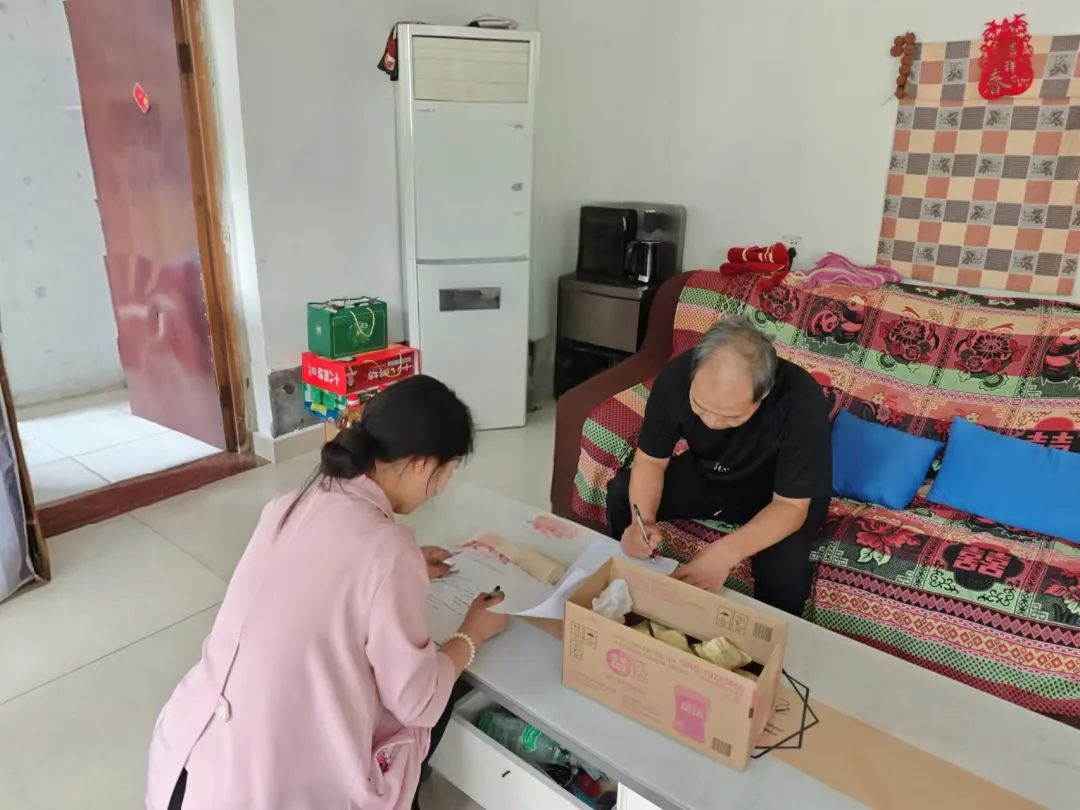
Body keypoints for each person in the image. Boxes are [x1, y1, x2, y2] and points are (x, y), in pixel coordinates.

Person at [146, 375, 508, 810]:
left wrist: (406, 569)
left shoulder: (289, 503)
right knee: (437, 688)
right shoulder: (389, 550)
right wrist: (472, 633)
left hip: (186, 762)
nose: (443, 487)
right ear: (420, 465)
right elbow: (417, 700)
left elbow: (319, 576)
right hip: (265, 792)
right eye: (446, 472)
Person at [608, 317, 832, 615]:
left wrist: (724, 554)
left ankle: (760, 641)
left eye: (730, 417)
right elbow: (650, 461)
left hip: (780, 495)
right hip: (712, 472)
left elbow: (791, 507)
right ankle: (624, 598)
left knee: (783, 572)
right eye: (699, 406)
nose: (712, 422)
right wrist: (643, 522)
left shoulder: (801, 400)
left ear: (763, 393)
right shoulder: (676, 376)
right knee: (623, 491)